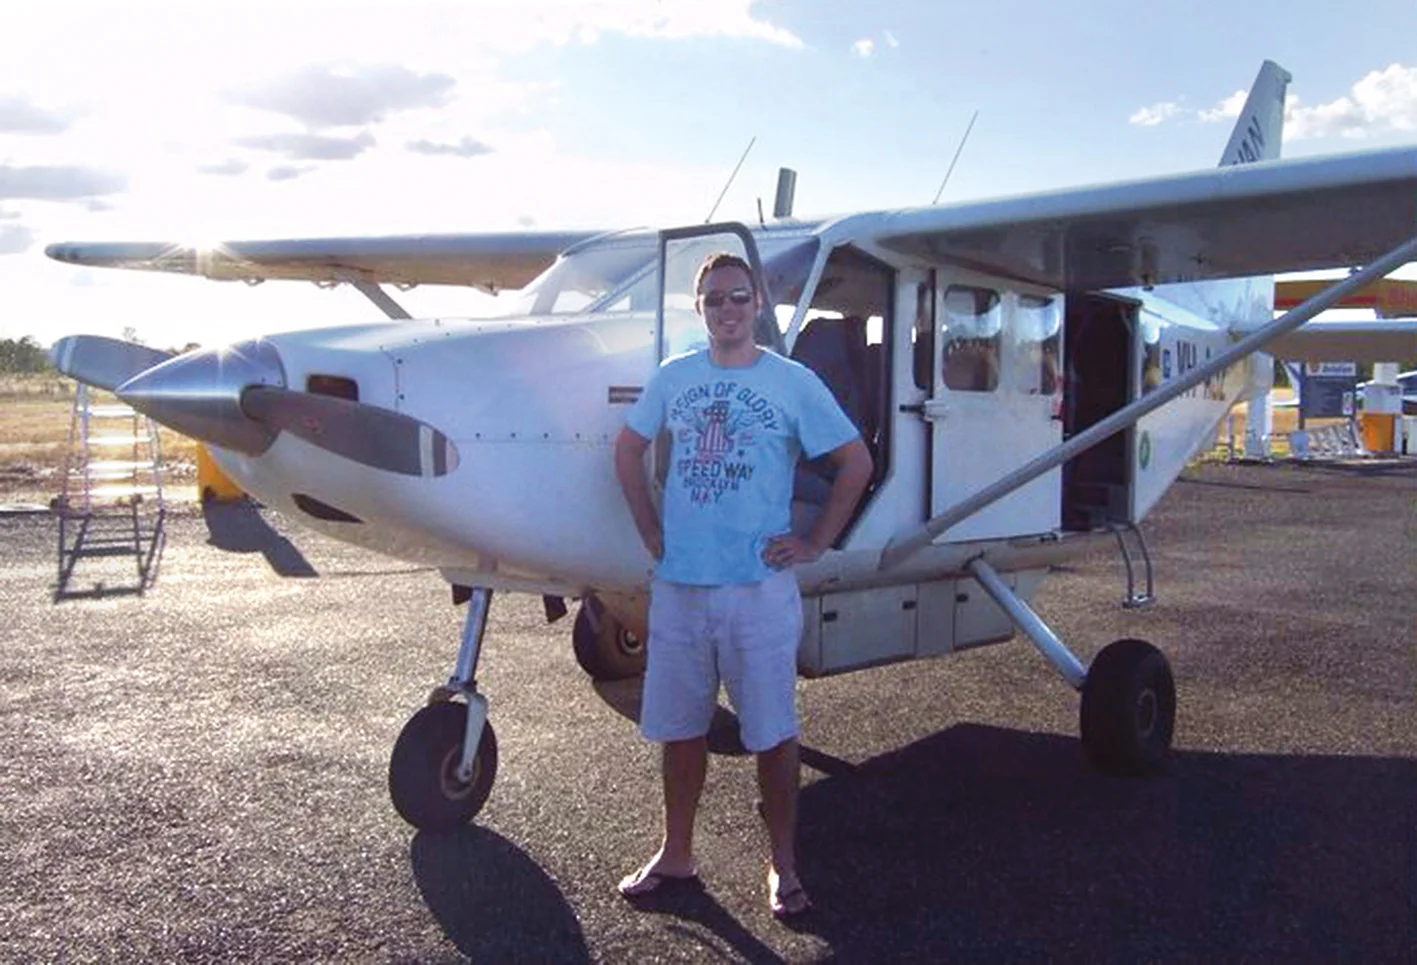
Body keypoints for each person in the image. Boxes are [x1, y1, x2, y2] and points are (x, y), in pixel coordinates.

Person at [613, 251, 873, 919]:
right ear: (698, 309)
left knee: (772, 732)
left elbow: (854, 461)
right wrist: (647, 524)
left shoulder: (793, 381)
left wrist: (815, 541)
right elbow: (627, 448)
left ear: (757, 302)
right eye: (712, 301)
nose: (726, 311)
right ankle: (675, 853)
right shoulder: (674, 376)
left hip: (757, 589)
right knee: (679, 728)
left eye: (736, 298)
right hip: (679, 586)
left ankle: (783, 866)